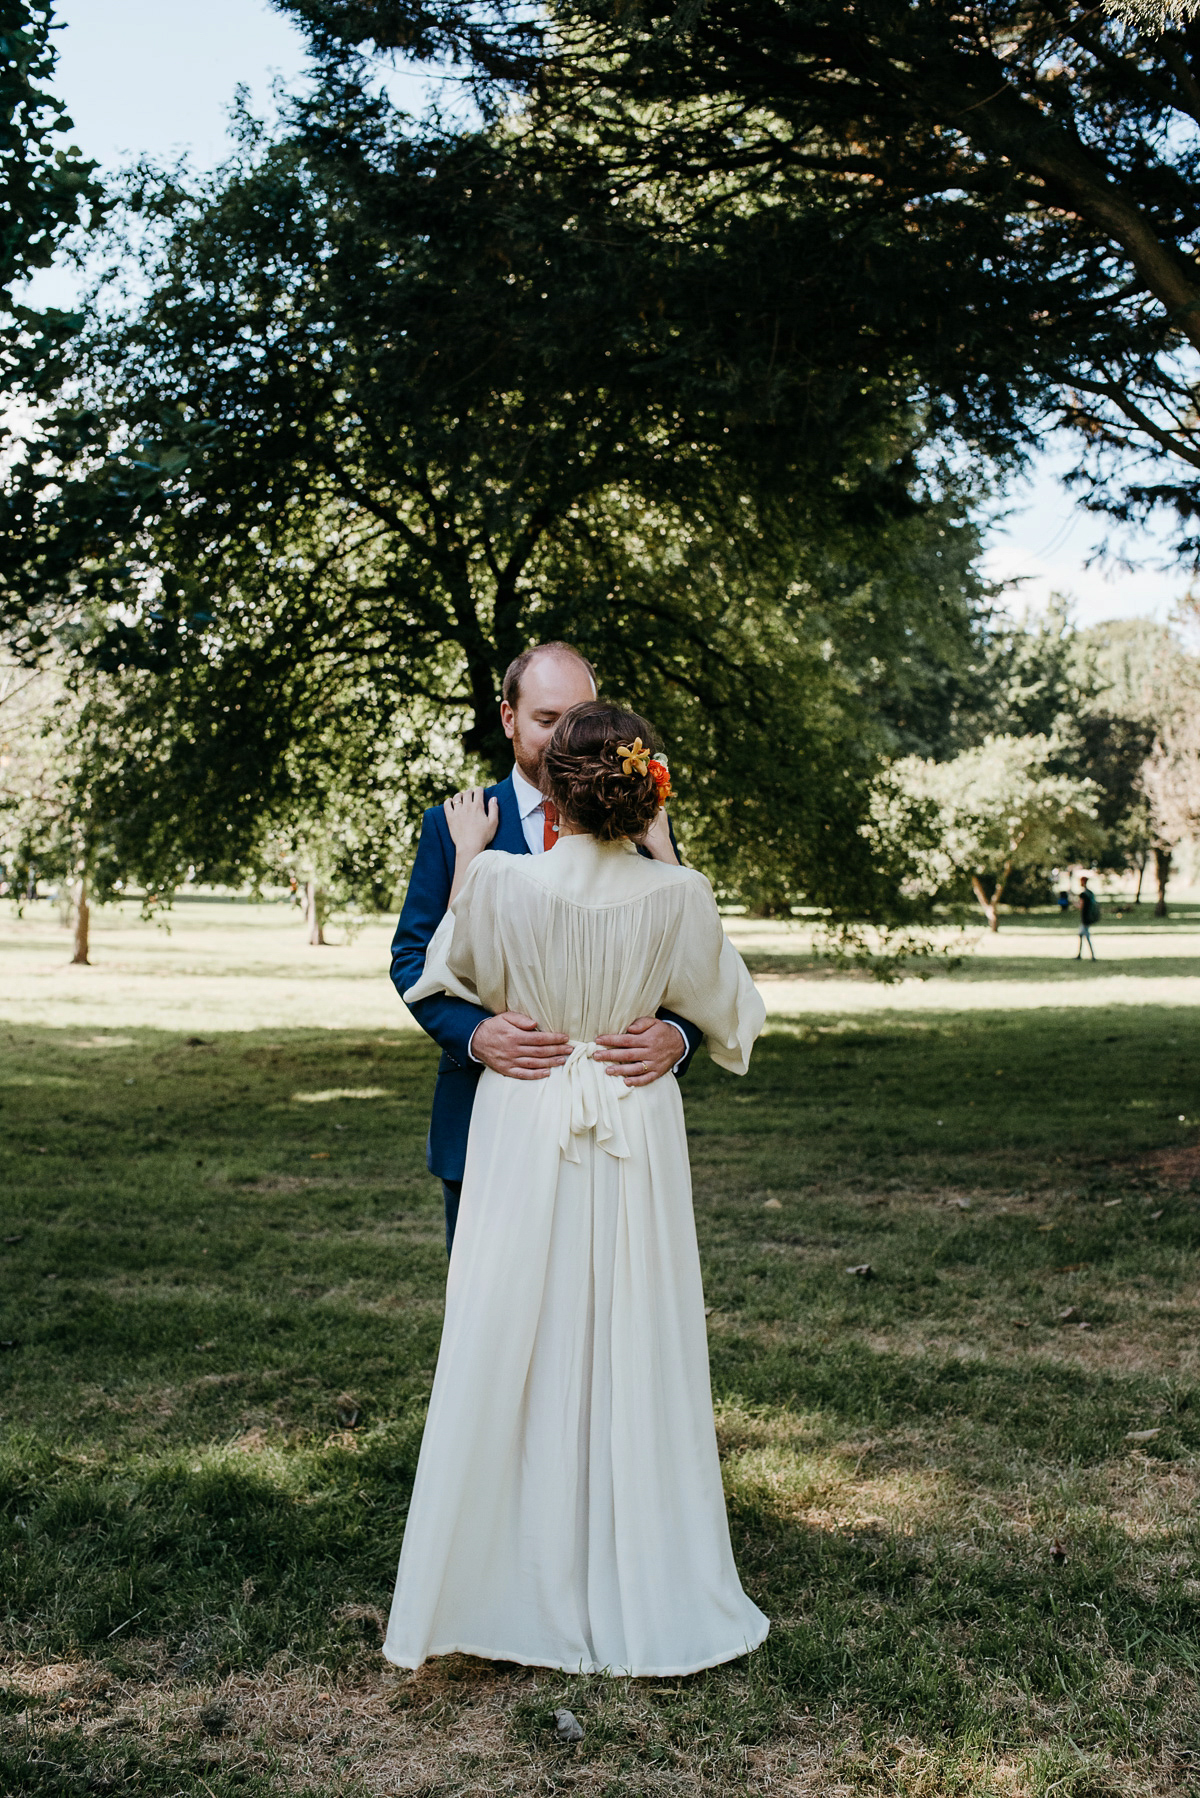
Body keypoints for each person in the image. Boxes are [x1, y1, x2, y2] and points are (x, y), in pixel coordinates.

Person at [382, 700, 769, 1677]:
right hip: (631, 1119)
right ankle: (643, 1572)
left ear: (549, 791)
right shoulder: (678, 893)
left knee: (517, 1333)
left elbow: (450, 966)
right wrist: (668, 860)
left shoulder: (506, 877)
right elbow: (728, 1004)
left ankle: (505, 1576)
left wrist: (470, 855)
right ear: (645, 793)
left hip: (527, 1110)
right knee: (633, 1334)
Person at [390, 643, 702, 1255]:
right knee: (494, 1320)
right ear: (508, 718)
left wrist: (680, 1036)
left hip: (617, 1125)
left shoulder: (640, 821)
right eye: (547, 721)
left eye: (582, 719)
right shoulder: (456, 825)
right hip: (487, 1110)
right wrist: (476, 1035)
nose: (569, 741)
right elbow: (413, 957)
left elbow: (688, 951)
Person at [1076, 876, 1100, 960]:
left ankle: (1092, 955)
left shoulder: (1083, 894)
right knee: (1081, 935)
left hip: (1085, 918)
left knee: (1086, 936)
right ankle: (1079, 954)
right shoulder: (1090, 893)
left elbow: (1080, 906)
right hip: (1089, 917)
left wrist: (1073, 902)